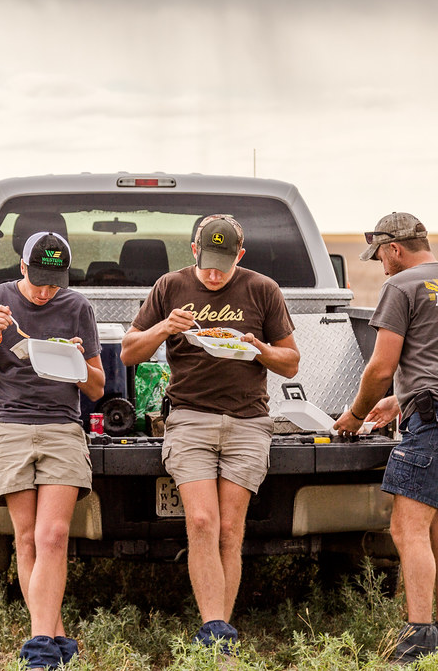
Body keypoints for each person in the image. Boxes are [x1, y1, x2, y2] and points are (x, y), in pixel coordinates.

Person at [120, 214, 300, 653]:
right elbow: (128, 351)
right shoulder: (170, 286)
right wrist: (165, 327)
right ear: (194, 251)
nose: (215, 272)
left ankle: (219, 635)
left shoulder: (263, 289)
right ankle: (214, 627)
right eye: (207, 261)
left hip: (248, 422)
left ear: (240, 254)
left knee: (230, 529)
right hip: (190, 419)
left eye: (225, 262)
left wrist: (259, 348)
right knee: (201, 521)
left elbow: (291, 361)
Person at [333, 212, 438, 663]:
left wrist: (355, 413)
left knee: (407, 528)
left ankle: (417, 639)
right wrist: (399, 402)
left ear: (396, 248)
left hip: (436, 422)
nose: (380, 265)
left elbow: (381, 366)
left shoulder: (401, 287)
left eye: (381, 255)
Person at [0, 231, 105, 669]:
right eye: (38, 280)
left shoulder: (77, 308)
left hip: (61, 427)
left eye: (53, 282)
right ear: (22, 268)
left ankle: (39, 645)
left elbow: (96, 388)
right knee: (26, 538)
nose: (44, 291)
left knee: (53, 536)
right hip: (10, 427)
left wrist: (76, 363)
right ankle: (54, 638)